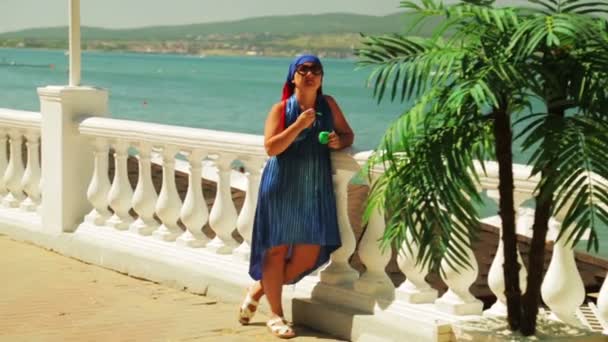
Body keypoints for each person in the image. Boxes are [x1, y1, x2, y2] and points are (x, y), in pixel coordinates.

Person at [238, 54, 354, 339]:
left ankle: (258, 290)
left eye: (316, 70)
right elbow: (271, 148)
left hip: (313, 188)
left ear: (322, 78)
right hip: (281, 185)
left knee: (308, 253)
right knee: (276, 250)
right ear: (293, 77)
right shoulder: (281, 109)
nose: (310, 74)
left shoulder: (329, 105)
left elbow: (347, 134)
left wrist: (341, 140)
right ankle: (275, 315)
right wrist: (299, 125)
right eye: (303, 70)